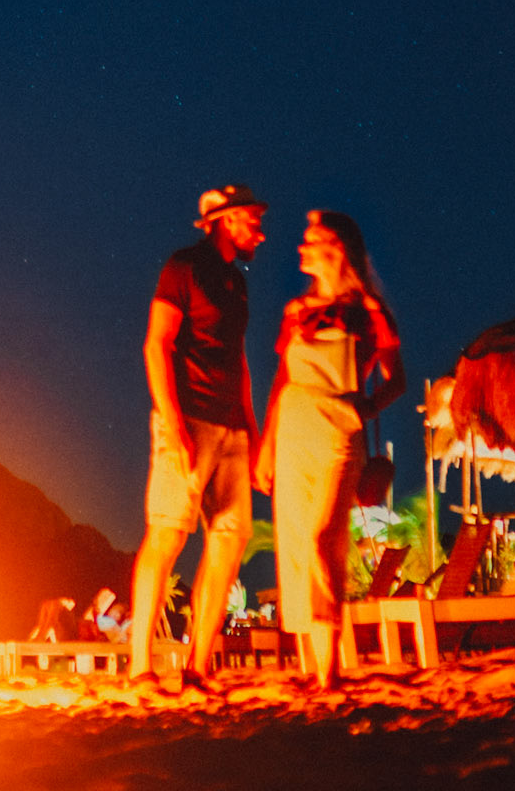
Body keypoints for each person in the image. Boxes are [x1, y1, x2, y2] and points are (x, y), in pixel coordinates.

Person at [253, 209, 405, 689]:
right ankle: (319, 669)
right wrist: (265, 445)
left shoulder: (368, 310)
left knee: (323, 538)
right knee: (297, 543)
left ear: (336, 250)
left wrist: (363, 408)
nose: (300, 247)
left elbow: (396, 380)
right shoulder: (295, 311)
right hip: (294, 425)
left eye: (311, 239)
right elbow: (282, 381)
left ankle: (330, 668)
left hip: (339, 428)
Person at [128, 183, 267, 687]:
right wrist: (174, 423)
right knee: (167, 534)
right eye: (252, 218)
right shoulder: (183, 267)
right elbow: (156, 344)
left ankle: (198, 664)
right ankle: (141, 666)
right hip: (188, 419)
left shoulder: (237, 282)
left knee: (231, 539)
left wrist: (252, 430)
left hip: (232, 427)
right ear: (226, 220)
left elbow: (239, 357)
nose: (261, 229)